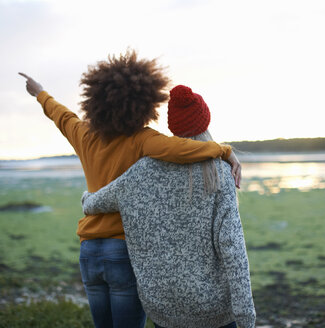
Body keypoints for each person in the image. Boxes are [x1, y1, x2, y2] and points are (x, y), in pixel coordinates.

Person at [18, 50, 242, 328]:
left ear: (96, 101)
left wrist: (39, 92)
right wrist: (224, 150)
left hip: (88, 250)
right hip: (122, 251)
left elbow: (61, 115)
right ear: (144, 103)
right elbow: (181, 148)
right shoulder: (142, 139)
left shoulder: (84, 134)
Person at [81, 85, 256, 328]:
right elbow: (232, 246)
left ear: (173, 128)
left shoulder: (141, 172)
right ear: (205, 122)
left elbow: (92, 204)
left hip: (164, 310)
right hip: (215, 310)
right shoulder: (220, 173)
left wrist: (85, 197)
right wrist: (246, 317)